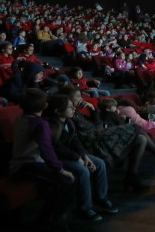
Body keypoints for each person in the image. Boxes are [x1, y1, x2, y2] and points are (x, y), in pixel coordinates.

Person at [62, 88, 155, 192]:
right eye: (77, 96)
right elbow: (88, 131)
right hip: (92, 140)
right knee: (135, 128)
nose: (81, 98)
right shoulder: (68, 115)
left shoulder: (77, 113)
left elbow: (97, 123)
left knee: (141, 138)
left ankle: (132, 175)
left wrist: (92, 109)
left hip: (98, 133)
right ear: (67, 99)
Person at [43, 94, 117, 222]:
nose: (74, 109)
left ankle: (101, 197)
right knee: (82, 170)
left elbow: (75, 141)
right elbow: (56, 147)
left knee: (99, 163)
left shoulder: (68, 121)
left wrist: (84, 156)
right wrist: (78, 158)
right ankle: (85, 207)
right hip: (58, 158)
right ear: (57, 111)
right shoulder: (51, 125)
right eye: (70, 107)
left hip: (73, 155)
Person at [8, 89, 75, 229]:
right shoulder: (40, 124)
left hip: (21, 165)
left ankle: (46, 220)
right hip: (26, 166)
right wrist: (60, 169)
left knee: (55, 185)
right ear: (45, 106)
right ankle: (52, 222)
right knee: (66, 181)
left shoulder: (21, 118)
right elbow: (46, 149)